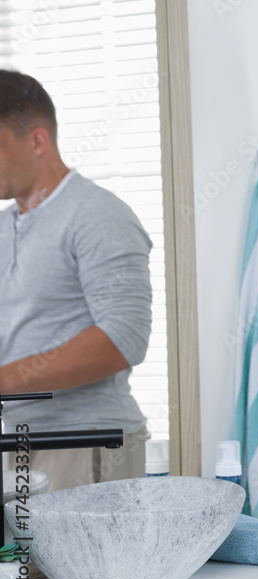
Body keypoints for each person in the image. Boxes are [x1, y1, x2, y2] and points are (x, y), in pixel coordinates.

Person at [0, 69, 153, 491]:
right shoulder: (4, 227)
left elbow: (123, 337)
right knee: (21, 561)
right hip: (19, 444)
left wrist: (4, 380)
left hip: (89, 445)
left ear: (36, 141)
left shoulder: (96, 215)